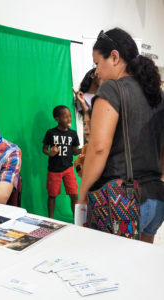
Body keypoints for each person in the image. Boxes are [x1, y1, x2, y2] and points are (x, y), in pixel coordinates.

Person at [75, 28, 164, 243]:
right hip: (155, 198)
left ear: (114, 57)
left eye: (97, 63)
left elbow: (98, 148)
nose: (97, 72)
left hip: (121, 201)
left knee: (109, 270)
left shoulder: (112, 90)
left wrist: (82, 196)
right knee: (139, 268)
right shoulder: (156, 94)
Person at [43, 105, 81, 218]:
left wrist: (83, 150)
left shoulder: (73, 134)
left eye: (70, 116)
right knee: (52, 196)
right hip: (54, 170)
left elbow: (74, 151)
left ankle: (77, 219)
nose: (69, 119)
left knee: (74, 195)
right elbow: (44, 149)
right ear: (57, 119)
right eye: (65, 117)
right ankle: (50, 219)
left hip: (68, 169)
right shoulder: (50, 133)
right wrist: (50, 152)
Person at [74, 109, 92, 178]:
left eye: (90, 124)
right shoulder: (86, 147)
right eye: (84, 124)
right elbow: (77, 162)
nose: (85, 128)